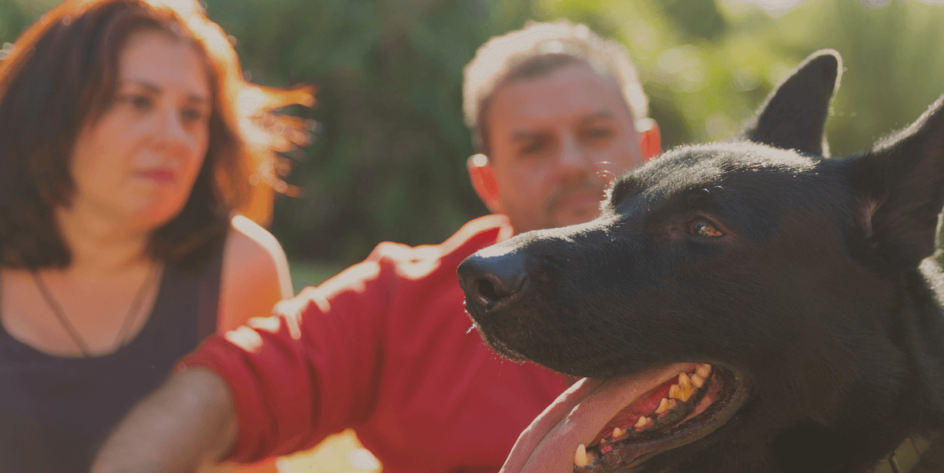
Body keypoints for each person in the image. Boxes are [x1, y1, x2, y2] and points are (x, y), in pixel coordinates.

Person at [91, 20, 662, 473]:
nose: (571, 164)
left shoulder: (736, 274)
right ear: (488, 184)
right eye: (533, 146)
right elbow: (226, 389)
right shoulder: (402, 304)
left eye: (595, 133)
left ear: (649, 146)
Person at [0, 0, 312, 471]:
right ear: (53, 110)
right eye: (138, 102)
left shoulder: (242, 266)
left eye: (192, 114)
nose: (173, 137)